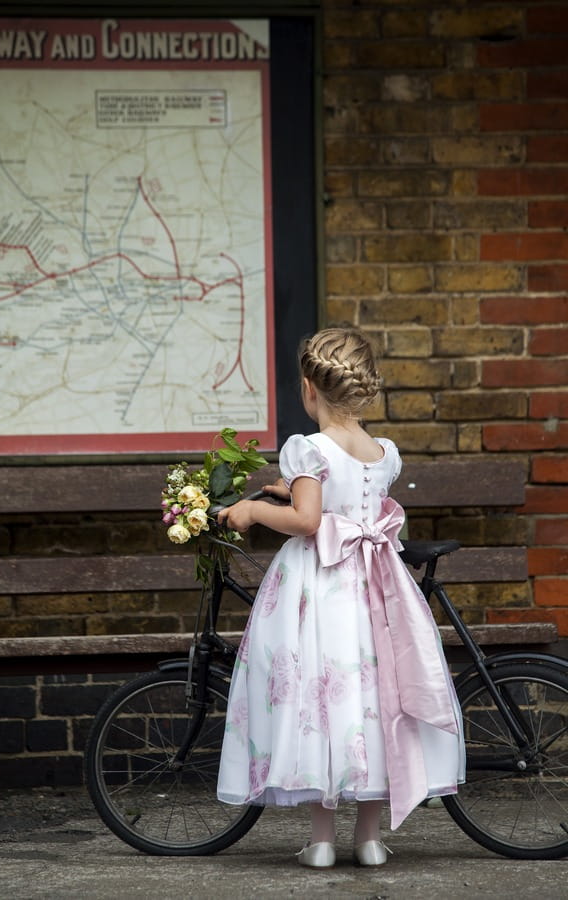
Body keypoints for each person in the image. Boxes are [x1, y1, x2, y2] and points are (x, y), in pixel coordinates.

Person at [216, 327, 464, 868]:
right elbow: (347, 499)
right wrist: (300, 491)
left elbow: (307, 521)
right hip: (375, 588)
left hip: (321, 588)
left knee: (320, 702)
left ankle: (322, 842)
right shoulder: (384, 452)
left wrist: (254, 510)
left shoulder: (305, 447)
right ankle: (370, 840)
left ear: (309, 388)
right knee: (375, 701)